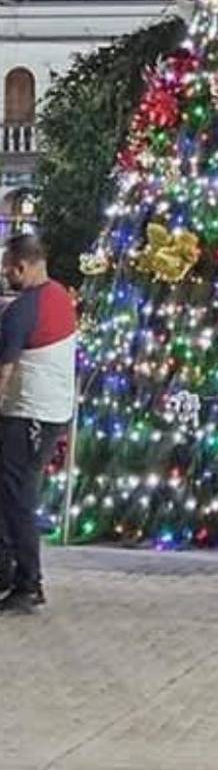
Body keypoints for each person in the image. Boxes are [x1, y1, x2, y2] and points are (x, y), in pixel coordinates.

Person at [0, 232, 77, 613]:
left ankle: (28, 582)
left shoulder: (22, 310)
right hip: (50, 414)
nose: (4, 274)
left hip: (27, 415)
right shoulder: (60, 297)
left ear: (23, 266)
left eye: (7, 267)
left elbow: (5, 372)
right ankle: (6, 571)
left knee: (17, 498)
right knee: (10, 493)